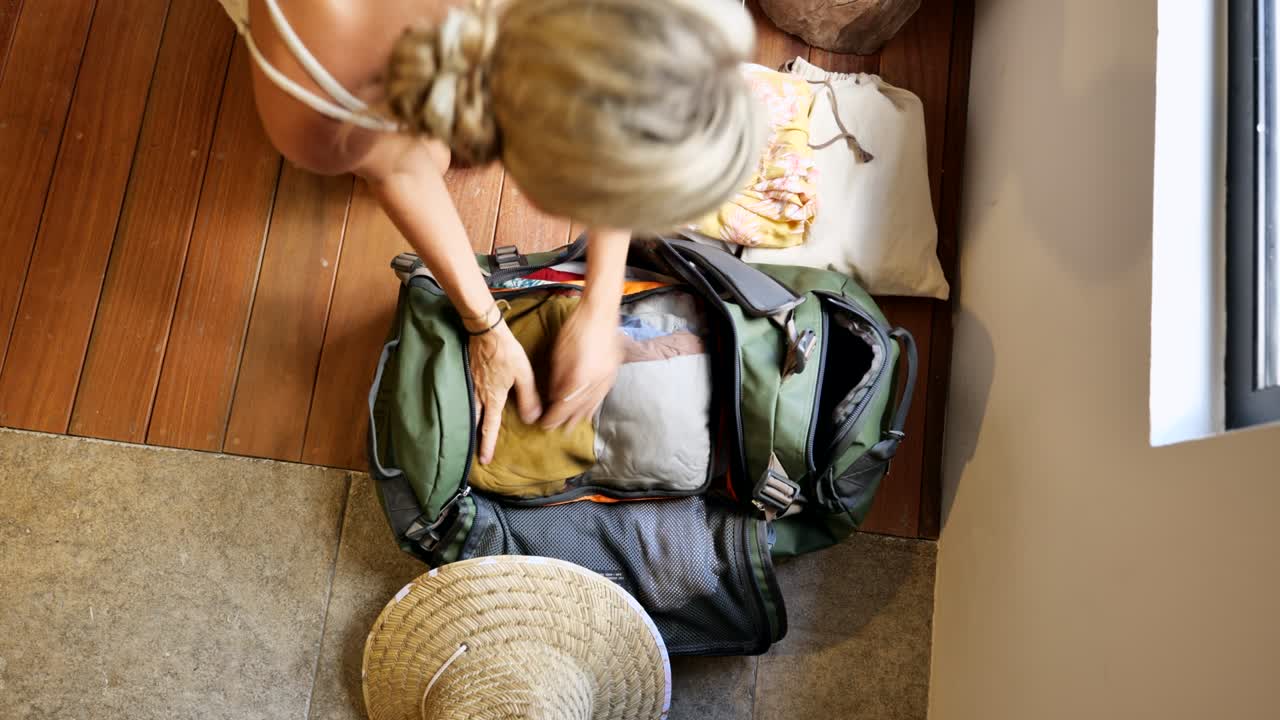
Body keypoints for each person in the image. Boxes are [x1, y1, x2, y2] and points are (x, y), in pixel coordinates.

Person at [217, 0, 762, 464]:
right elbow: (399, 168)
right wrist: (484, 325)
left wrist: (601, 306)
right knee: (426, 154)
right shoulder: (319, 91)